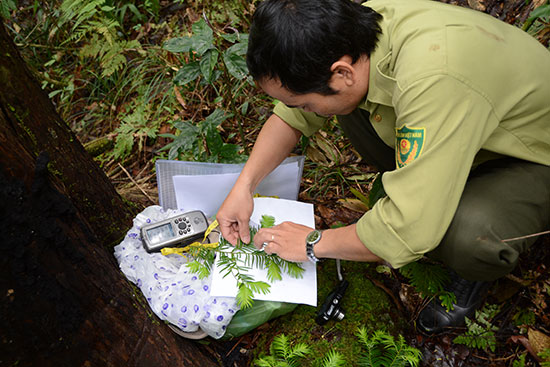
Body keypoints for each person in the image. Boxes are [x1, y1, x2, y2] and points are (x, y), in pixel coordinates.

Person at [216, 0, 550, 335]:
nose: (301, 109)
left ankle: (472, 272)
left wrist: (312, 243)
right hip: (467, 122)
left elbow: (410, 228)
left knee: (468, 236)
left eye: (303, 102)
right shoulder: (352, 37)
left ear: (341, 72)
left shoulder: (431, 78)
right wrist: (244, 185)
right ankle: (425, 180)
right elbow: (293, 115)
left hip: (529, 154)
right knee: (341, 105)